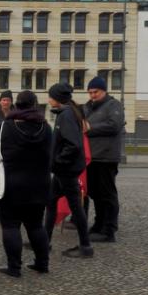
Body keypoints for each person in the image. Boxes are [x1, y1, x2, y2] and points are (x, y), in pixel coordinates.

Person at [0, 91, 52, 277]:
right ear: (35, 104)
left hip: (10, 184)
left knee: (10, 226)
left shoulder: (5, 126)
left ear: (17, 104)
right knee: (36, 225)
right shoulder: (45, 127)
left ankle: (14, 267)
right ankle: (42, 263)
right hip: (39, 184)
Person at [43, 83, 94, 258]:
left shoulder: (66, 115)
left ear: (57, 98)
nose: (48, 99)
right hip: (63, 170)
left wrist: (58, 160)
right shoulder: (68, 112)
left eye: (50, 96)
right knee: (51, 202)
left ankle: (85, 246)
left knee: (75, 207)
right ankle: (44, 240)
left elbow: (73, 144)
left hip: (66, 170)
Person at [83, 77, 125, 243]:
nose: (93, 95)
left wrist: (90, 128)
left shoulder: (114, 105)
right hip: (91, 157)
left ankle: (109, 230)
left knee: (107, 194)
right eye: (90, 92)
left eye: (96, 92)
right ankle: (98, 225)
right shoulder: (88, 107)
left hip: (106, 158)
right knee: (95, 194)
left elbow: (114, 125)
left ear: (104, 91)